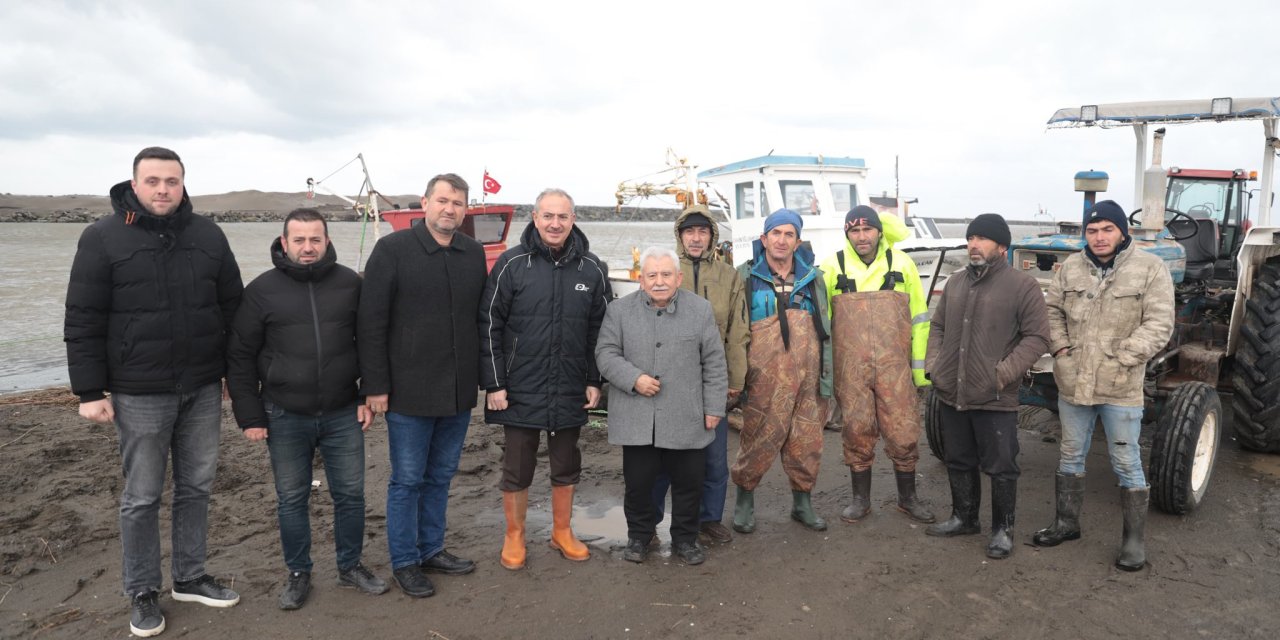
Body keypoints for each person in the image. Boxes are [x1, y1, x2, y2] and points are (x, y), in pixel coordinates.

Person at [64, 147, 243, 637]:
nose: (163, 189)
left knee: (197, 486)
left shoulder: (208, 234)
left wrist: (236, 375)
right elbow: (82, 317)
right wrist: (88, 391)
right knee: (142, 496)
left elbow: (233, 307)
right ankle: (142, 591)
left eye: (172, 180)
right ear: (135, 183)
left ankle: (189, 577)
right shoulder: (102, 237)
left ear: (183, 184)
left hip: (203, 385)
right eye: (153, 180)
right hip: (138, 391)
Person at [226, 208, 389, 610]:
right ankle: (299, 572)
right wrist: (250, 416)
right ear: (284, 243)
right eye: (298, 240)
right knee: (292, 498)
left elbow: (369, 341)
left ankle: (350, 566)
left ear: (328, 241)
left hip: (341, 412)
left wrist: (368, 393)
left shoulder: (350, 283)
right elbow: (240, 356)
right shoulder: (261, 290)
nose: (307, 247)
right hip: (283, 413)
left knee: (350, 495)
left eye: (315, 239)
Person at [359, 174, 489, 597]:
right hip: (408, 390)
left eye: (457, 203)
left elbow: (479, 320)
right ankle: (406, 561)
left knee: (441, 476)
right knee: (408, 479)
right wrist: (375, 386)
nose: (449, 209)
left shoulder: (473, 253)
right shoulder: (393, 250)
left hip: (456, 389)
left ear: (466, 210)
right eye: (442, 200)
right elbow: (371, 321)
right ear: (425, 203)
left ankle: (432, 548)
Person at [1033, 200, 1174, 571]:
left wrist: (1124, 356)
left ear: (1122, 231)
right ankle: (1066, 523)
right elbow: (1051, 311)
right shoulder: (1071, 268)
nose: (1098, 237)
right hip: (1074, 381)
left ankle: (1133, 541)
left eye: (1107, 229)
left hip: (1121, 386)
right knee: (1069, 454)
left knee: (1126, 462)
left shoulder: (1150, 268)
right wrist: (1061, 349)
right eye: (1092, 231)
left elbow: (1159, 323)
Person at [479, 188, 611, 570]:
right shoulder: (511, 264)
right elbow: (488, 324)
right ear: (535, 218)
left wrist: (594, 379)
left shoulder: (592, 268)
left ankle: (561, 531)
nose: (556, 223)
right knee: (517, 465)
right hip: (519, 386)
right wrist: (494, 384)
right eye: (548, 216)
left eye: (563, 216)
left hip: (570, 384)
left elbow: (598, 330)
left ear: (573, 220)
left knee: (566, 461)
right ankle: (515, 535)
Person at [924, 213, 1050, 559]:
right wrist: (935, 365)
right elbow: (937, 327)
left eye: (982, 239)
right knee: (959, 459)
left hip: (994, 395)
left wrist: (1004, 373)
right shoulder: (956, 282)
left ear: (1002, 247)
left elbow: (1038, 337)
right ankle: (963, 518)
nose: (973, 245)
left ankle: (1002, 530)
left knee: (1002, 465)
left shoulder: (1021, 286)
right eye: (970, 238)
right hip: (953, 390)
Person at [596, 246, 728, 565]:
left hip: (687, 416)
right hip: (637, 417)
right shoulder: (619, 311)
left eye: (666, 274)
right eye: (652, 275)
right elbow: (605, 354)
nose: (659, 281)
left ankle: (685, 539)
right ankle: (639, 537)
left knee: (689, 483)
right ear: (640, 280)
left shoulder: (700, 310)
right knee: (639, 485)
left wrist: (713, 408)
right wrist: (634, 378)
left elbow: (714, 362)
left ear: (678, 278)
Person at [818, 206, 934, 524]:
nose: (861, 236)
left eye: (867, 229)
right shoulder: (831, 267)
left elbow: (920, 320)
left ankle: (908, 498)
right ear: (847, 234)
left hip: (895, 368)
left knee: (905, 432)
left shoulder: (902, 264)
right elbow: (821, 326)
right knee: (856, 430)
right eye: (854, 231)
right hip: (850, 370)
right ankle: (860, 500)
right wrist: (826, 373)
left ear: (879, 231)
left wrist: (918, 371)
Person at [648, 205, 749, 545]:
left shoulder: (728, 276)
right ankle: (648, 523)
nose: (695, 237)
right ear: (679, 235)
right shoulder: (662, 271)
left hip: (711, 380)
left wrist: (737, 379)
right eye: (689, 231)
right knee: (662, 458)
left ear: (711, 236)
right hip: (668, 380)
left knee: (714, 459)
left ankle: (708, 519)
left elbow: (738, 331)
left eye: (702, 231)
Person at [730, 209, 832, 534]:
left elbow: (826, 330)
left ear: (797, 241)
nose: (782, 240)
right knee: (756, 439)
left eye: (789, 234)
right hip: (762, 378)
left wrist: (826, 380)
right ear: (764, 239)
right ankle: (744, 501)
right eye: (776, 233)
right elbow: (736, 333)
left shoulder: (814, 279)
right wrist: (738, 381)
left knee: (806, 442)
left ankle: (802, 504)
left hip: (807, 378)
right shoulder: (745, 276)